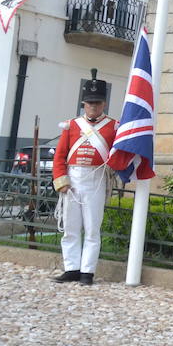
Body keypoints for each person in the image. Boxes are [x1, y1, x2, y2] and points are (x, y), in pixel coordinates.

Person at [51, 70, 119, 285]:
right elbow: (60, 155)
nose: (93, 107)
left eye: (97, 103)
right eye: (89, 104)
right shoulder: (72, 125)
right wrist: (61, 180)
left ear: (104, 104)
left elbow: (118, 153)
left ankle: (87, 272)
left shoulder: (113, 126)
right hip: (73, 179)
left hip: (96, 179)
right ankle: (71, 268)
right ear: (83, 104)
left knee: (92, 228)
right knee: (70, 227)